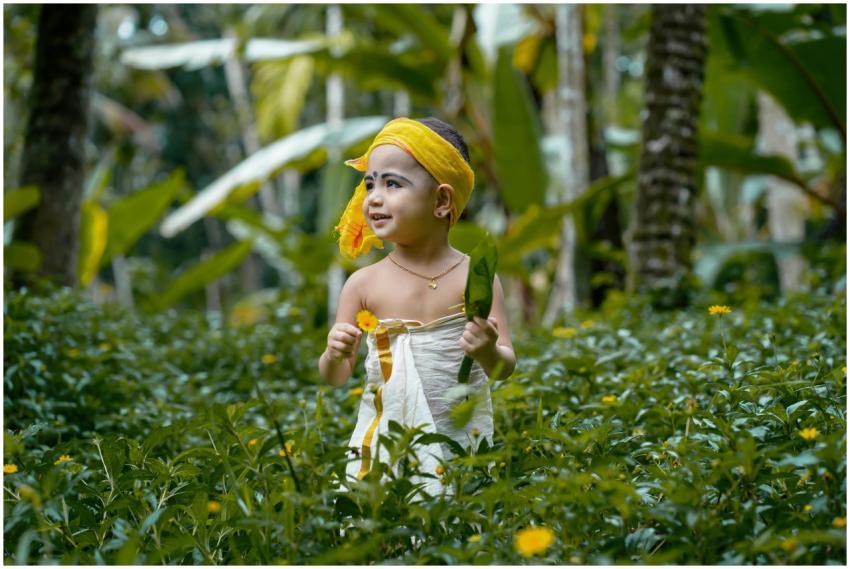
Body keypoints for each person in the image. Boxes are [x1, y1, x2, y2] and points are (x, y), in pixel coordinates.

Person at [318, 117, 516, 499]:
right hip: (388, 446)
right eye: (370, 183)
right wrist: (333, 352)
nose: (374, 197)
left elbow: (504, 366)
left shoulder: (476, 277)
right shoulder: (363, 285)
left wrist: (489, 351)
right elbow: (336, 376)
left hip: (462, 442)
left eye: (392, 184)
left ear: (442, 201)